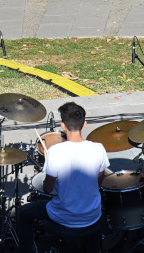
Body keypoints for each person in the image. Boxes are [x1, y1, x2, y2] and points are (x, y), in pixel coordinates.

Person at [17, 102, 110, 253]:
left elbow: (47, 188)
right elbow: (98, 182)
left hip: (65, 217)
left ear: (63, 125)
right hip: (91, 216)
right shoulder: (98, 148)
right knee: (96, 213)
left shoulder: (55, 151)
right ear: (84, 124)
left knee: (23, 213)